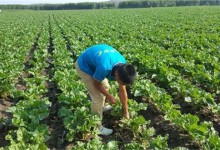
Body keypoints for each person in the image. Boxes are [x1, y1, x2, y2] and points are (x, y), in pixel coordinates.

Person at [75, 44, 136, 136]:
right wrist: (109, 96)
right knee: (98, 98)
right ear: (116, 75)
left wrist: (126, 113)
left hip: (97, 62)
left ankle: (102, 108)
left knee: (106, 88)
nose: (121, 85)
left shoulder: (123, 68)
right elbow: (96, 84)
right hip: (84, 66)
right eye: (120, 82)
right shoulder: (105, 67)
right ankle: (97, 127)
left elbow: (122, 92)